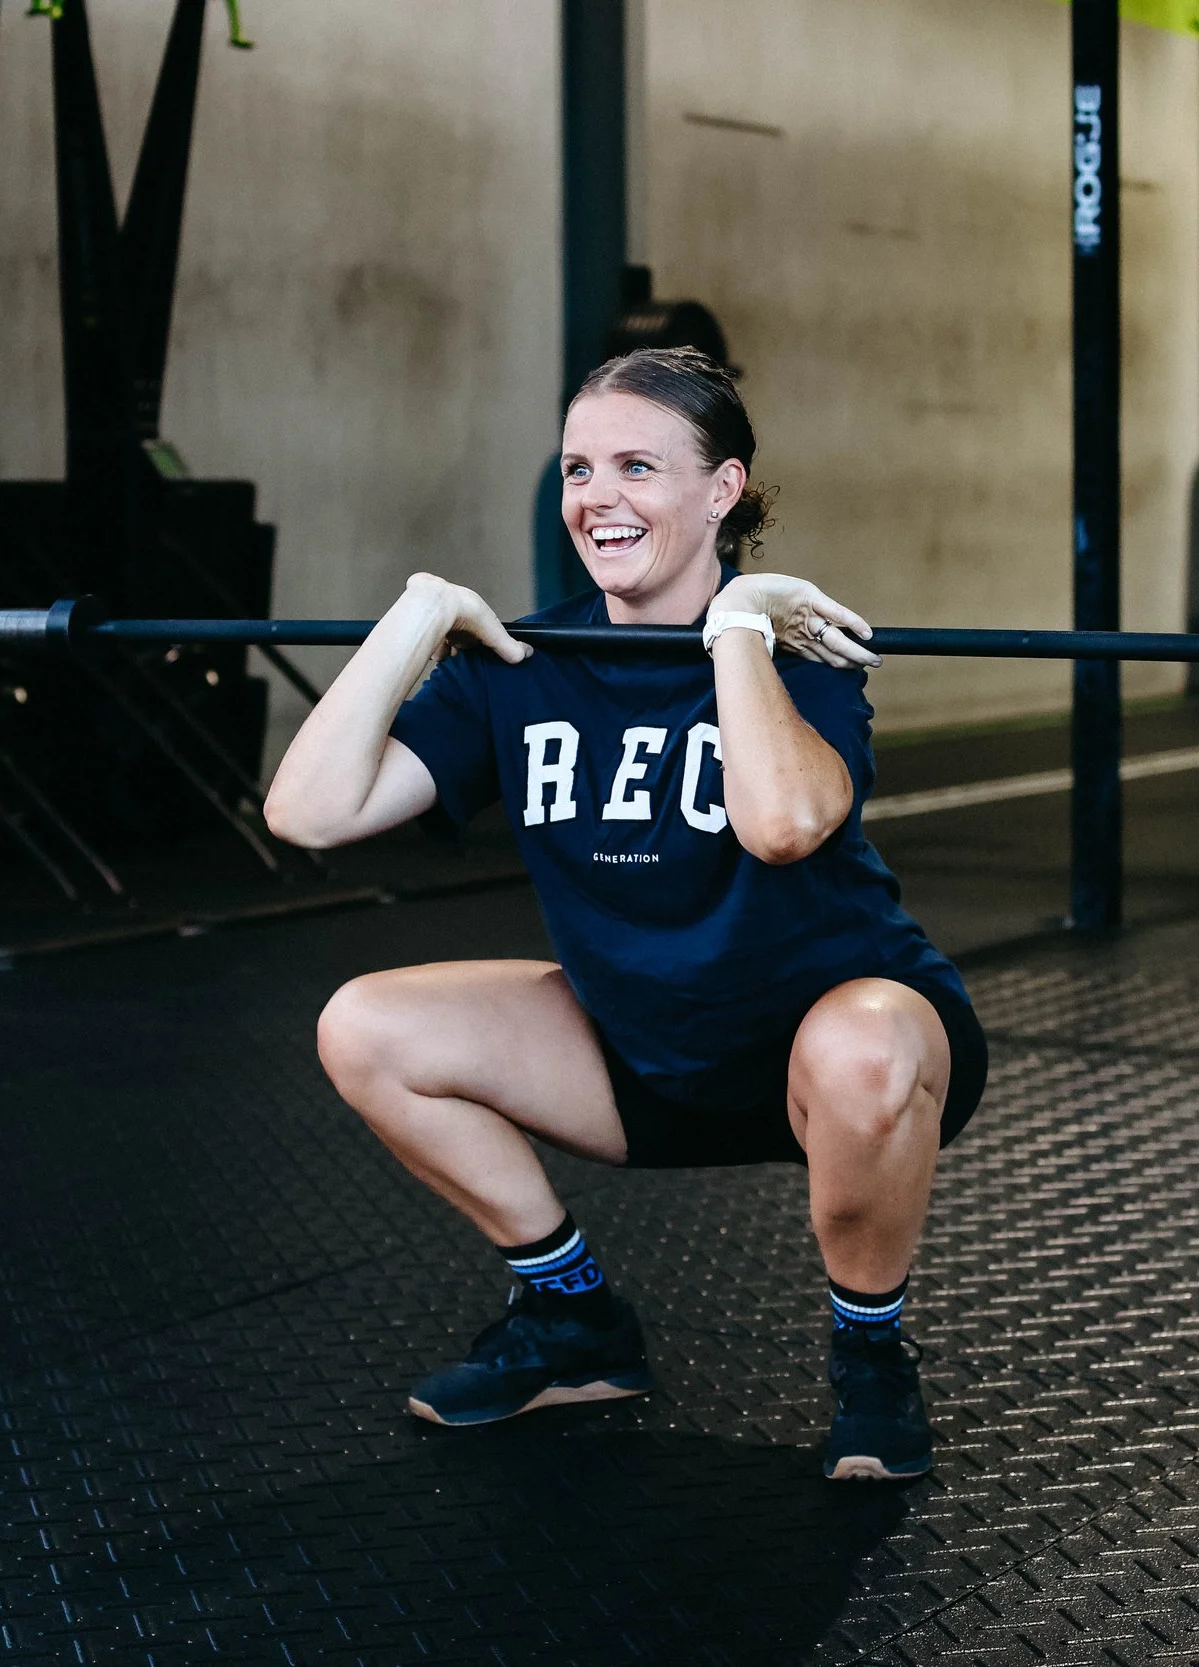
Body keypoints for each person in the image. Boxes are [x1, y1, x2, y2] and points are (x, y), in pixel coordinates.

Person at [263, 347, 986, 1482]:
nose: (597, 496)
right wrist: (417, 618)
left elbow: (784, 825)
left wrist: (737, 623)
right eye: (578, 469)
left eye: (637, 466)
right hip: (640, 1052)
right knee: (366, 1024)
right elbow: (307, 812)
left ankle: (870, 1354)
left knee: (864, 1044)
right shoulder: (521, 662)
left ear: (722, 487)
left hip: (841, 1061)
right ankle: (573, 1319)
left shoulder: (798, 648)